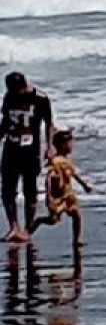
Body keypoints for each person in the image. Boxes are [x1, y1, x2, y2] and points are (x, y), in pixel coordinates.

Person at [0, 73, 53, 242]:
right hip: (11, 147)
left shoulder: (40, 98)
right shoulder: (9, 97)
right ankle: (13, 227)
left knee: (30, 189)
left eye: (18, 91)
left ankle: (28, 228)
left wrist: (50, 147)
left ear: (24, 86)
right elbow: (6, 122)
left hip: (30, 149)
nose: (16, 94)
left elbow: (49, 123)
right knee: (8, 190)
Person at [29, 130, 91, 246]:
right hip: (58, 196)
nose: (72, 146)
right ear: (63, 145)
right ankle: (38, 222)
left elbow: (73, 174)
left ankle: (77, 240)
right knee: (53, 220)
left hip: (68, 194)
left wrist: (84, 185)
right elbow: (49, 178)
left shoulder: (67, 160)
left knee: (77, 215)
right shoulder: (56, 161)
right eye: (70, 143)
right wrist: (49, 195)